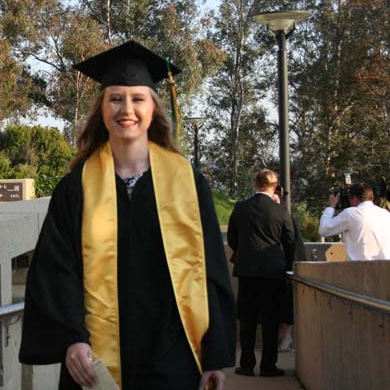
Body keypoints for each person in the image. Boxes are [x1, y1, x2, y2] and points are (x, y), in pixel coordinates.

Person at [19, 40, 236, 390]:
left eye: (138, 99)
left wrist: (214, 356)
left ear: (153, 110)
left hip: (174, 353)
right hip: (97, 357)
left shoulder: (187, 182)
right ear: (102, 110)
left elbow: (209, 268)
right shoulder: (77, 188)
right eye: (115, 98)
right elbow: (56, 270)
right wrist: (73, 337)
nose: (126, 109)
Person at [227, 169, 295, 378]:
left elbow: (232, 238)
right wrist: (285, 264)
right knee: (270, 319)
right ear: (274, 187)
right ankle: (268, 365)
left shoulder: (240, 208)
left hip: (247, 271)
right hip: (273, 272)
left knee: (247, 318)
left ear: (254, 184)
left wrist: (244, 253)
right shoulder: (281, 211)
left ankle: (246, 364)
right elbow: (290, 241)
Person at [269, 188, 305, 352]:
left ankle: (285, 338)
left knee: (285, 307)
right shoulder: (283, 218)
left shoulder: (285, 219)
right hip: (278, 270)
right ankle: (283, 340)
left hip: (284, 270)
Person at [319, 182, 390, 260]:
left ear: (354, 199)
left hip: (361, 268)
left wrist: (331, 206)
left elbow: (323, 230)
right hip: (387, 267)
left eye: (349, 198)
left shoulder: (351, 213)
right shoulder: (386, 214)